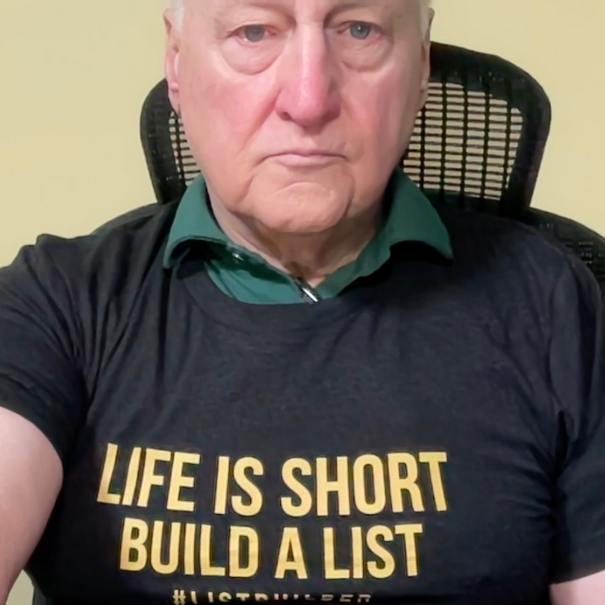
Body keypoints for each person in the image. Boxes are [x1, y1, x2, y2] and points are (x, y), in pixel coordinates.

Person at [0, 0, 603, 603]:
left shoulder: (549, 302)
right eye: (253, 32)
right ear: (177, 64)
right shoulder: (55, 304)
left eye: (360, 30)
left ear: (421, 66)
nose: (310, 101)